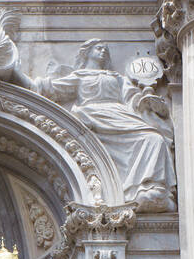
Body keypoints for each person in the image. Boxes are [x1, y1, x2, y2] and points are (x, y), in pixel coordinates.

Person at [36, 41, 176, 211]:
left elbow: (132, 98)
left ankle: (150, 187)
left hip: (119, 114)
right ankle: (136, 190)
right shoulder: (81, 75)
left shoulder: (116, 78)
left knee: (154, 139)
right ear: (87, 53)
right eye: (98, 48)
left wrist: (147, 102)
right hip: (91, 114)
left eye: (105, 49)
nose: (103, 51)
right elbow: (52, 89)